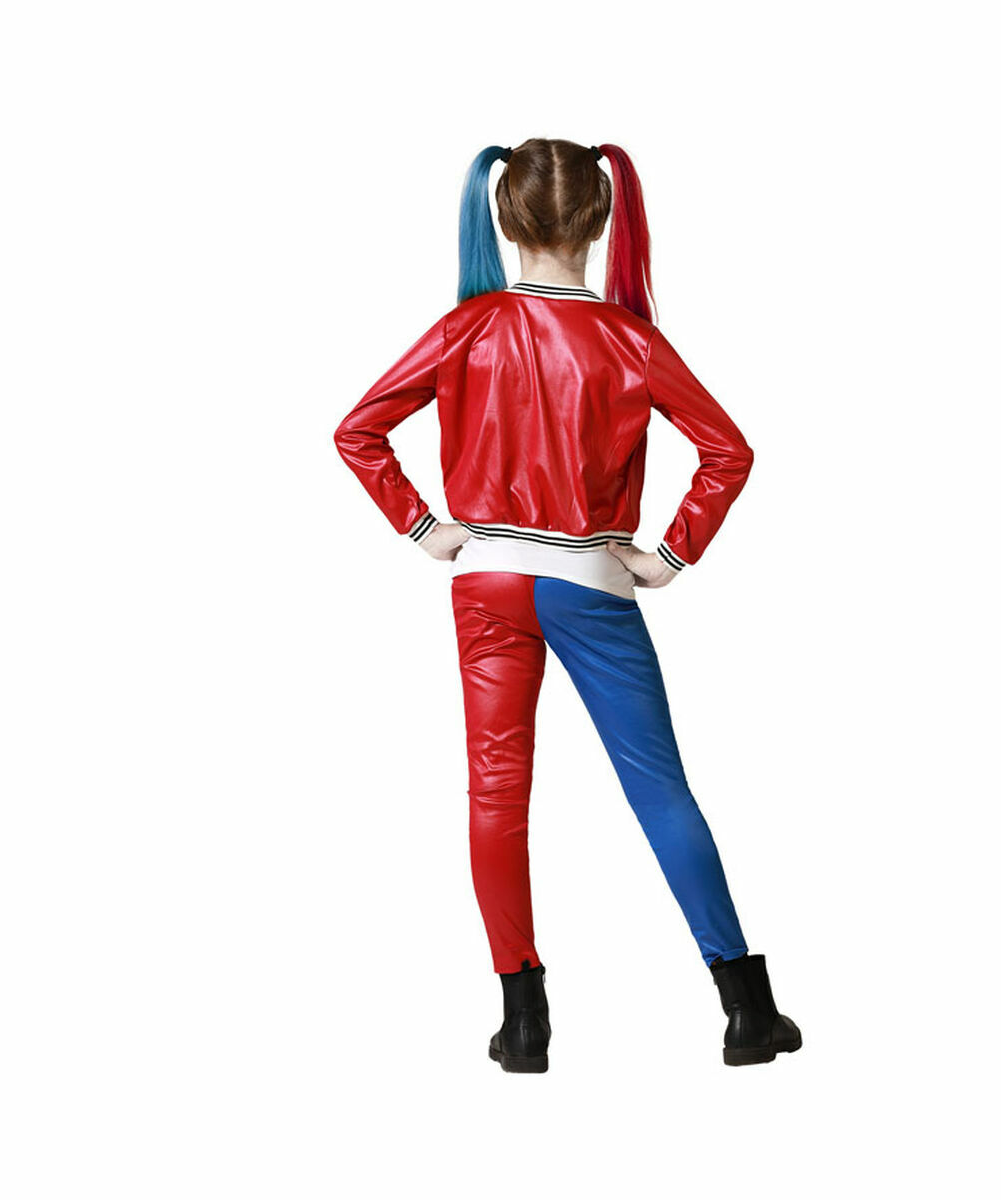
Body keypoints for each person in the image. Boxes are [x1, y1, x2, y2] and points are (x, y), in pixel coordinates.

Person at [334, 139, 801, 1072]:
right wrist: (669, 556)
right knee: (658, 788)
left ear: (506, 219)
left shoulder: (467, 327)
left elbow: (359, 430)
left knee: (496, 793)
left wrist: (425, 528)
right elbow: (729, 451)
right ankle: (746, 1012)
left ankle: (524, 1023)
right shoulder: (629, 338)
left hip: (487, 584)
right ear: (601, 218)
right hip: (591, 582)